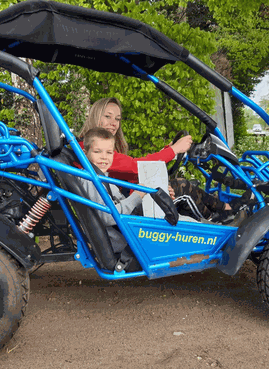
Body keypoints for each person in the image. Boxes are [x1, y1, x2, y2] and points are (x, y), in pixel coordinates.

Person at [79, 97, 241, 222]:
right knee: (182, 187)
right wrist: (173, 150)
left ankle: (224, 212)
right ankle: (221, 217)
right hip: (129, 210)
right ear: (96, 116)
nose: (113, 123)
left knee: (178, 186)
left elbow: (129, 174)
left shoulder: (98, 150)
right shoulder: (90, 150)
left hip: (128, 201)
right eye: (108, 116)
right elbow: (136, 167)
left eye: (117, 119)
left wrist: (167, 152)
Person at [79, 128, 146, 271]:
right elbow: (109, 216)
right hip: (125, 245)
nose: (104, 157)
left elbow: (120, 203)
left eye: (109, 152)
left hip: (128, 233)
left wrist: (143, 197)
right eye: (97, 152)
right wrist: (137, 197)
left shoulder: (101, 177)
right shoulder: (91, 181)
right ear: (85, 154)